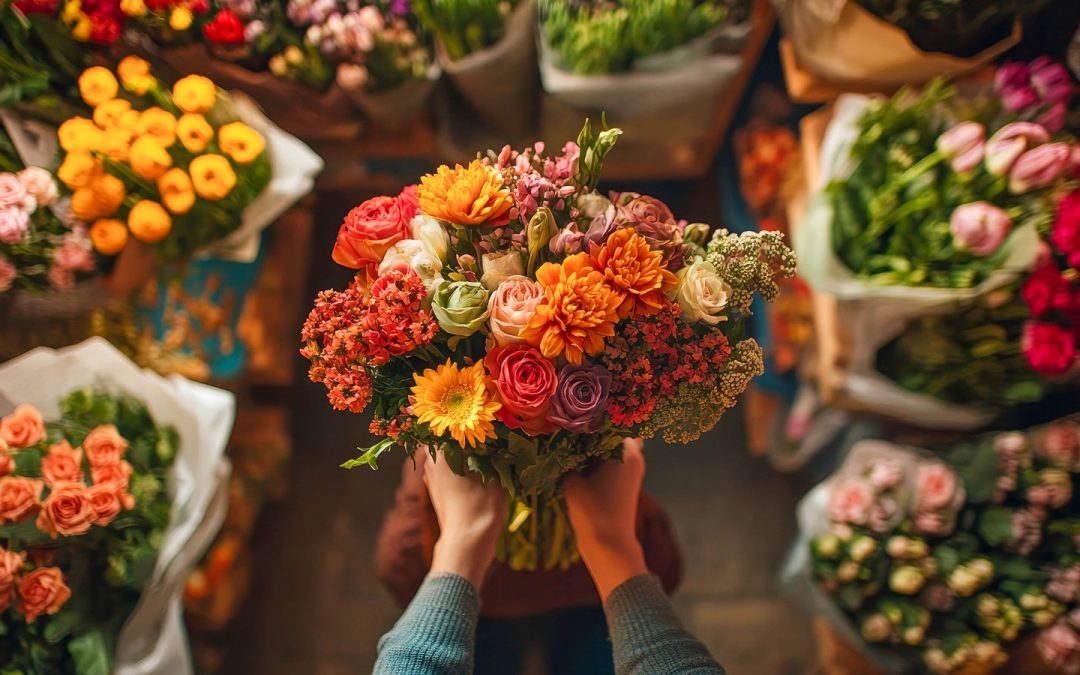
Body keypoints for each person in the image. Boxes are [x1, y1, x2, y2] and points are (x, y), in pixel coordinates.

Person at [373, 440, 725, 675]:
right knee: (590, 649)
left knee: (486, 651)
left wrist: (461, 541)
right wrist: (613, 543)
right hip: (593, 595)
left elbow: (398, 574)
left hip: (487, 602)